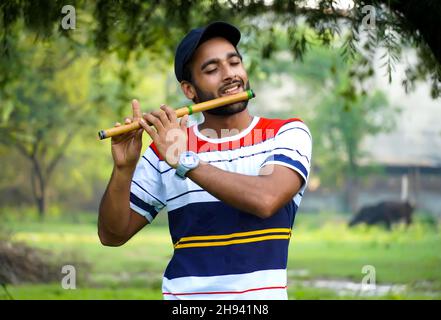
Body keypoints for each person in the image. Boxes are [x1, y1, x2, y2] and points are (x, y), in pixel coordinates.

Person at [98, 21, 312, 300]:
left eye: (234, 63)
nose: (230, 75)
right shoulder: (167, 147)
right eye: (212, 69)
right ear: (189, 90)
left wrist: (185, 161)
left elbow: (266, 200)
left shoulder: (286, 133)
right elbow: (112, 235)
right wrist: (123, 169)